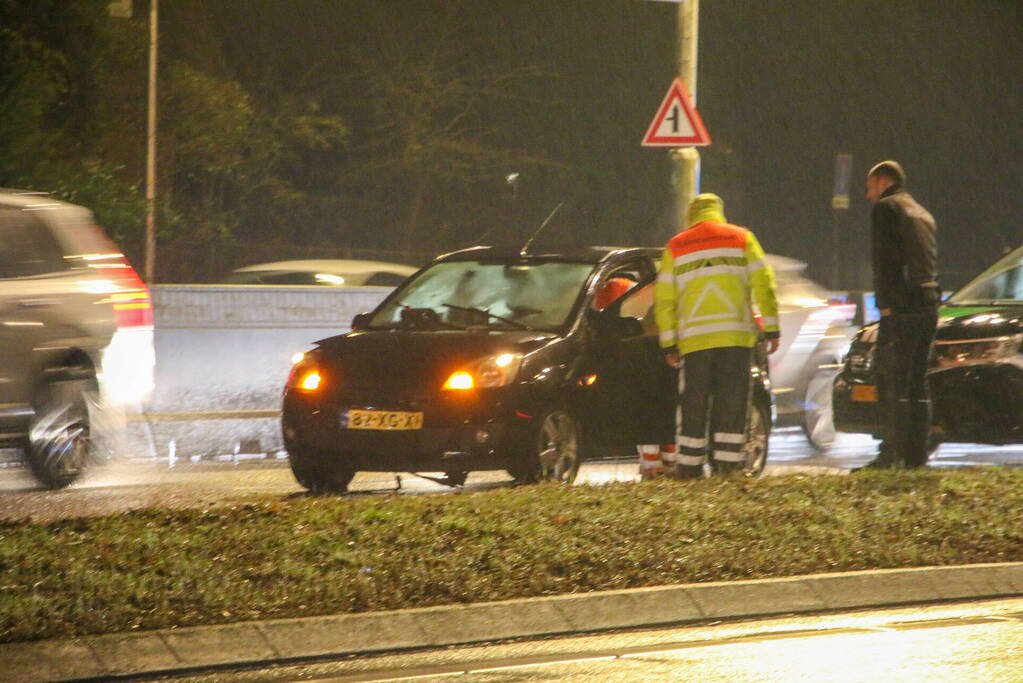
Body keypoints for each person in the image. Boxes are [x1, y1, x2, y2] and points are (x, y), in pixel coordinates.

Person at [654, 193, 780, 478]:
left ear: (692, 215)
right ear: (718, 212)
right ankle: (728, 466)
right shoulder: (742, 238)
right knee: (733, 403)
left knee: (693, 405)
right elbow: (765, 284)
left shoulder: (676, 246)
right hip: (735, 340)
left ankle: (690, 467)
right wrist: (771, 328)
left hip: (695, 341)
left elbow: (664, 301)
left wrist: (669, 344)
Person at [859, 160, 939, 469]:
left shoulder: (887, 208)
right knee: (918, 383)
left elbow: (885, 260)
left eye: (869, 187)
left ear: (881, 181)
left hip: (902, 307)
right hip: (928, 305)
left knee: (891, 380)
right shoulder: (922, 212)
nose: (869, 195)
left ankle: (891, 454)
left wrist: (886, 303)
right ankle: (916, 456)